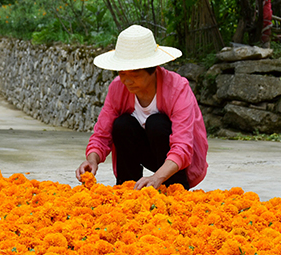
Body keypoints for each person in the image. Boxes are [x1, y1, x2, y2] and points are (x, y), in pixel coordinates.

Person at [76, 24, 208, 190]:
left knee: (157, 123)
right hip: (144, 151)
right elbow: (102, 134)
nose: (127, 81)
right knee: (122, 125)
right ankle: (128, 187)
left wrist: (156, 177)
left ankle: (175, 188)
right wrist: (92, 160)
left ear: (153, 70)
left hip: (174, 163)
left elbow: (182, 145)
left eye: (135, 75)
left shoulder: (178, 88)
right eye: (122, 74)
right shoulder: (118, 88)